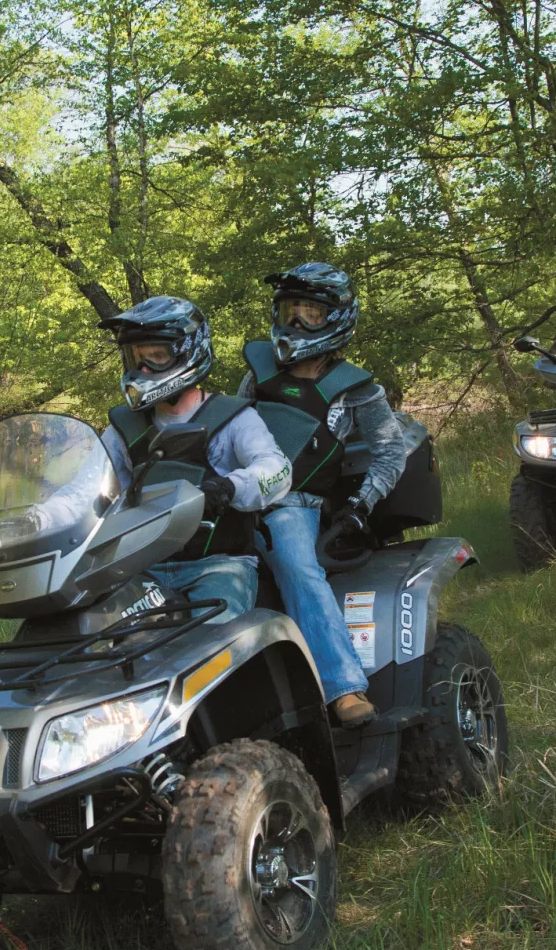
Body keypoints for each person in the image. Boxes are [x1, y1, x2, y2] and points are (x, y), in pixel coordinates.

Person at [237, 263, 408, 729]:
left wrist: (361, 506)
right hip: (239, 492)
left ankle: (343, 686)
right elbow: (230, 429)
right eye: (289, 311)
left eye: (309, 314)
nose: (295, 324)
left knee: (295, 564)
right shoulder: (259, 370)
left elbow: (391, 451)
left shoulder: (355, 388)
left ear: (336, 319)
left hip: (297, 504)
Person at [94, 296, 291, 622]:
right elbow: (87, 489)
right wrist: (31, 521)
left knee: (211, 647)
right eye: (137, 357)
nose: (143, 369)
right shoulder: (122, 428)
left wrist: (228, 488)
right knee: (101, 642)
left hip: (220, 565)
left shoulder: (232, 417)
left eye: (156, 356)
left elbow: (277, 470)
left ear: (189, 352)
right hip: (144, 568)